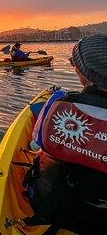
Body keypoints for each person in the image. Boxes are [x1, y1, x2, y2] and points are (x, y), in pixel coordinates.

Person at [25, 34, 107, 234]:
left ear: (85, 74)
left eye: (74, 65)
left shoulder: (61, 107)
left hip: (60, 210)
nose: (74, 67)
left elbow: (38, 144)